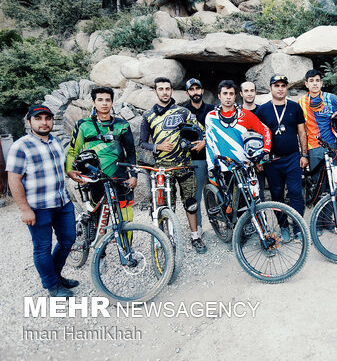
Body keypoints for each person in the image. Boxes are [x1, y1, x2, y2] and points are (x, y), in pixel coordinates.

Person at [6, 105, 77, 297]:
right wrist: (24, 209)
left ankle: (55, 275)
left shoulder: (55, 142)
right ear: (29, 121)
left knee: (68, 240)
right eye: (38, 118)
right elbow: (14, 179)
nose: (44, 122)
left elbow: (57, 169)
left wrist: (70, 173)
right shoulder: (21, 146)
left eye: (47, 118)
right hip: (38, 208)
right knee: (42, 248)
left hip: (63, 203)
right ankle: (52, 285)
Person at [139, 77, 208, 254]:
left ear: (171, 90)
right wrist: (157, 146)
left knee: (191, 203)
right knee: (166, 206)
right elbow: (142, 142)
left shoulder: (183, 112)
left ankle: (195, 237)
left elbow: (201, 129)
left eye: (167, 88)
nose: (164, 92)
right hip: (163, 167)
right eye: (160, 89)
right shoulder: (148, 116)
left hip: (185, 165)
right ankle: (169, 238)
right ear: (155, 91)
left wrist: (203, 141)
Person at [66, 86, 137, 222]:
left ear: (112, 102)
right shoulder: (83, 125)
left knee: (126, 217)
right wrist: (69, 170)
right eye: (100, 100)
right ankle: (95, 242)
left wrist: (133, 175)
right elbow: (73, 151)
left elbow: (131, 152)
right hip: (94, 177)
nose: (104, 103)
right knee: (97, 219)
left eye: (107, 100)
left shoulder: (122, 125)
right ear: (93, 103)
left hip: (119, 176)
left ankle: (126, 244)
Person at [256, 75, 308, 242]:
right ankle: (283, 227)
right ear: (270, 88)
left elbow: (302, 132)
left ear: (287, 88)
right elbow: (256, 136)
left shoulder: (295, 107)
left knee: (295, 194)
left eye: (283, 85)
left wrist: (304, 155)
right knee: (276, 195)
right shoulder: (262, 110)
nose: (280, 88)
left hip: (293, 158)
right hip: (272, 161)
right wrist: (259, 160)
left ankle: (298, 228)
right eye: (276, 85)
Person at [298, 69, 337, 176]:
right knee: (317, 184)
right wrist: (304, 154)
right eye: (311, 80)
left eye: (317, 80)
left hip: (332, 146)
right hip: (313, 148)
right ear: (306, 84)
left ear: (321, 83)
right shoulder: (301, 101)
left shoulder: (331, 98)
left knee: (333, 184)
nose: (315, 83)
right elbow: (299, 127)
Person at [204, 80, 272, 171]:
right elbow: (209, 144)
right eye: (225, 93)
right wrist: (211, 167)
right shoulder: (211, 117)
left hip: (245, 168)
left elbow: (265, 130)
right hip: (222, 169)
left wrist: (265, 151)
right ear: (219, 96)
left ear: (235, 96)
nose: (228, 97)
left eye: (231, 94)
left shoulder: (245, 114)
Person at [181, 78, 215, 230]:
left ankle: (221, 224)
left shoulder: (212, 110)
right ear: (188, 92)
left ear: (202, 91)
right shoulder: (183, 112)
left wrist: (205, 141)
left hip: (214, 158)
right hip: (195, 159)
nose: (195, 92)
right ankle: (199, 227)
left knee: (217, 192)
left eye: (197, 89)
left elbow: (218, 131)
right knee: (196, 195)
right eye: (192, 89)